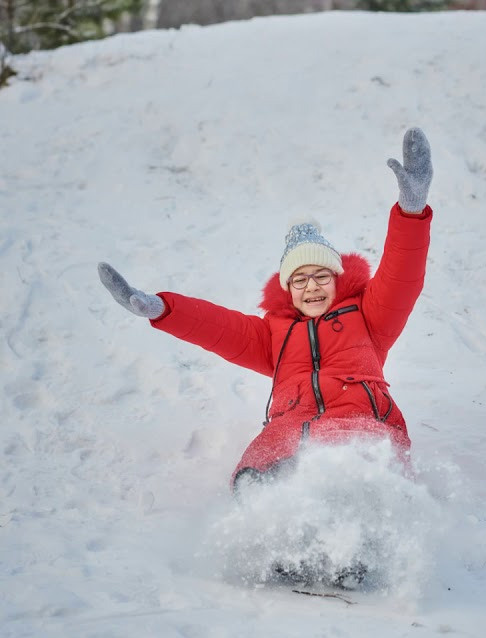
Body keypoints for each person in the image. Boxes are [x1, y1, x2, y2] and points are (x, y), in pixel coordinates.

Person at [98, 127, 435, 495]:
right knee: (257, 465)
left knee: (350, 455)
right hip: (290, 429)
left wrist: (410, 211)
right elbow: (216, 327)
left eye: (322, 276)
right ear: (287, 289)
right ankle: (272, 528)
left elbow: (401, 277)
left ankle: (369, 515)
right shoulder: (274, 335)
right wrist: (162, 309)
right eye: (300, 280)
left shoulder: (369, 317)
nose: (312, 287)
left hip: (361, 421)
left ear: (337, 279)